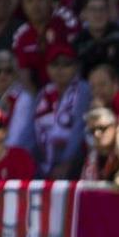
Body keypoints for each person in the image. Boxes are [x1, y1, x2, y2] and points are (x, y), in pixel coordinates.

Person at [33, 45, 92, 179]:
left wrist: (67, 162)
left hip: (74, 162)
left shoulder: (83, 89)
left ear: (76, 67)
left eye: (66, 64)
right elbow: (34, 130)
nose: (60, 69)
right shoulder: (43, 93)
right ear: (47, 68)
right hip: (43, 163)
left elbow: (79, 128)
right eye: (54, 64)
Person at [11, 0, 80, 90]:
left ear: (50, 1)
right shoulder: (21, 35)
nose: (35, 5)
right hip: (40, 93)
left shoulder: (65, 20)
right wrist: (36, 102)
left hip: (72, 86)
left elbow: (76, 61)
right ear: (23, 6)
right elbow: (24, 76)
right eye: (30, 1)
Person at [72, 0, 119, 81]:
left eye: (102, 9)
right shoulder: (78, 42)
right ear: (84, 14)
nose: (98, 14)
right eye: (93, 9)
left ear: (109, 12)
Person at [79, 107, 119, 181]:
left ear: (115, 126)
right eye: (92, 130)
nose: (96, 134)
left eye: (102, 128)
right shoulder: (92, 154)